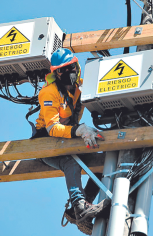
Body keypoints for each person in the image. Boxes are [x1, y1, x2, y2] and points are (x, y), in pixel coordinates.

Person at [33, 48, 104, 235]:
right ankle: (79, 206)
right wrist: (79, 130)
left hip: (70, 138)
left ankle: (79, 210)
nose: (67, 73)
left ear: (76, 66)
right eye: (61, 70)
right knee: (70, 162)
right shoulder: (49, 93)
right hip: (46, 143)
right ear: (55, 73)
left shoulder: (80, 88)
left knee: (101, 164)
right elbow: (53, 128)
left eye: (70, 67)